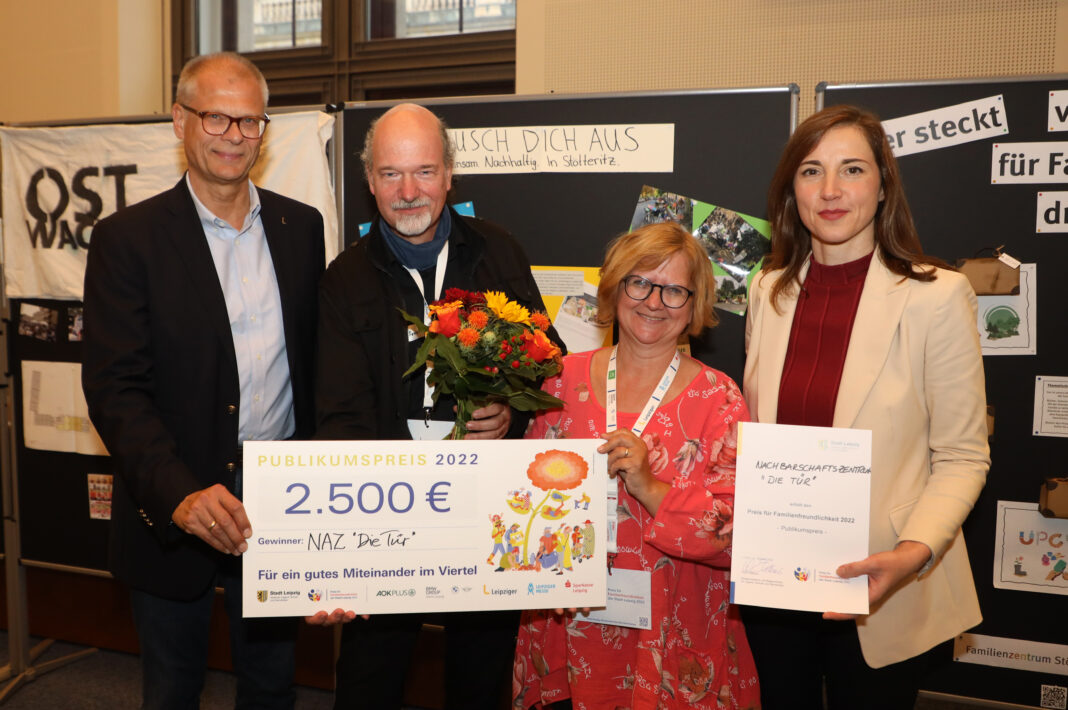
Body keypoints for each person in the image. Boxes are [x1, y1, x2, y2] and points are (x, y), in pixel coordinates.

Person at [82, 52, 324, 709]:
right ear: (180, 121)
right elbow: (115, 388)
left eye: (250, 122)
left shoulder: (301, 229)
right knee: (171, 687)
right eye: (217, 117)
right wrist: (180, 495)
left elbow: (314, 364)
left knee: (274, 683)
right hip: (174, 497)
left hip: (281, 496)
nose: (234, 136)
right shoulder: (126, 239)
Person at [312, 102, 561, 709]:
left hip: (484, 506)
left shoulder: (499, 251)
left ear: (450, 175)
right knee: (369, 676)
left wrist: (509, 411)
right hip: (387, 513)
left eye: (423, 171)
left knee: (481, 675)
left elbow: (546, 357)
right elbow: (340, 417)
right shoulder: (345, 278)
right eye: (391, 175)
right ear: (369, 182)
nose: (408, 191)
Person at [741, 104, 990, 709]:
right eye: (811, 171)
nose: (830, 190)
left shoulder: (938, 296)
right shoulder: (766, 288)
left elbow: (962, 455)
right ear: (790, 190)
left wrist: (911, 555)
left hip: (886, 583)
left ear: (882, 186)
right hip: (777, 579)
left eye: (851, 170)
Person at [514, 221, 761, 709]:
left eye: (674, 291)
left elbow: (740, 537)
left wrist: (650, 486)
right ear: (615, 286)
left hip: (675, 631)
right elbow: (522, 501)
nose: (653, 302)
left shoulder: (720, 399)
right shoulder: (559, 381)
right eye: (640, 282)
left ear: (694, 305)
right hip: (569, 620)